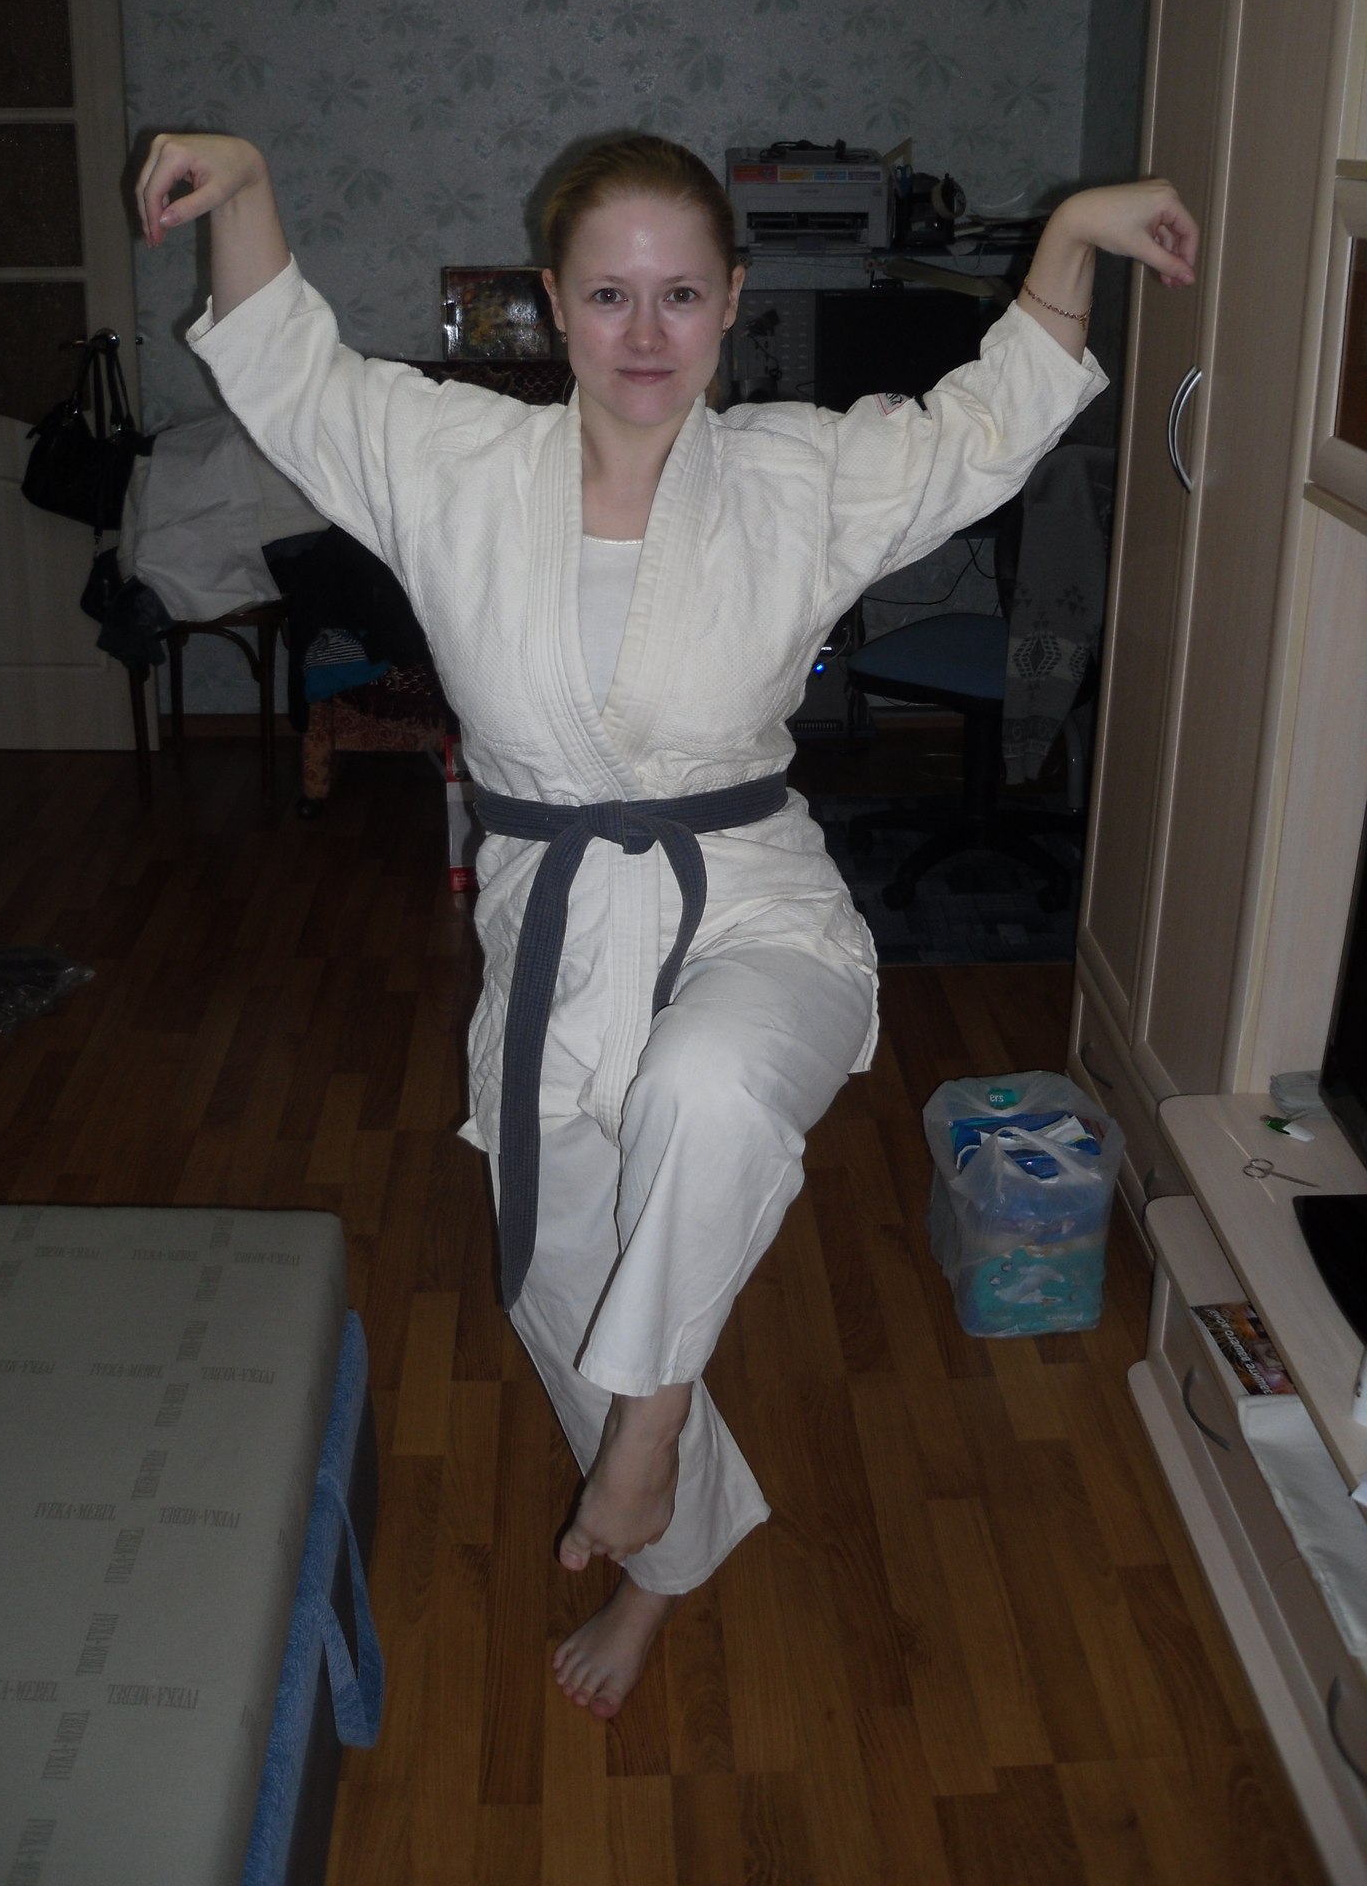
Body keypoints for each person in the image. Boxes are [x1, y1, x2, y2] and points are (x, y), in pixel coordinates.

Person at [136, 131, 1197, 1721]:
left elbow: (982, 428)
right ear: (551, 301)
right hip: (555, 931)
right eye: (610, 295)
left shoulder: (794, 474)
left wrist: (1072, 239)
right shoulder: (451, 460)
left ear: (733, 301)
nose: (646, 333)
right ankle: (666, 1562)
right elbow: (292, 371)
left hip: (756, 906)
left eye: (682, 295)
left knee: (703, 1095)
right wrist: (243, 187)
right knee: (556, 1284)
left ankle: (648, 1437)